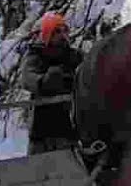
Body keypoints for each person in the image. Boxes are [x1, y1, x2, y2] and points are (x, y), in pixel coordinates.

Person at [19, 12, 84, 156]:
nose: (62, 35)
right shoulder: (37, 55)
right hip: (41, 131)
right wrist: (45, 81)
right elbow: (27, 78)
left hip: (68, 128)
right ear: (47, 34)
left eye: (64, 30)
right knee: (38, 172)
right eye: (56, 31)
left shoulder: (75, 57)